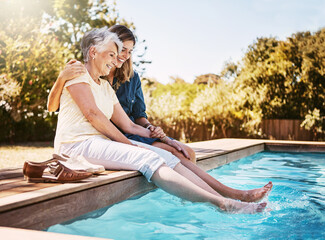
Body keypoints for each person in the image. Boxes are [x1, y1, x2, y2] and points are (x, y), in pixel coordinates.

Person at [52, 26, 268, 213]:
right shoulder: (77, 73)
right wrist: (130, 146)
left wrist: (165, 139)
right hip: (76, 145)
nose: (116, 61)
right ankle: (222, 203)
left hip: (99, 144)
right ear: (93, 52)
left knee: (166, 156)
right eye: (111, 55)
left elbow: (129, 124)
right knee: (148, 159)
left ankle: (228, 200)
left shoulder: (106, 87)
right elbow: (93, 115)